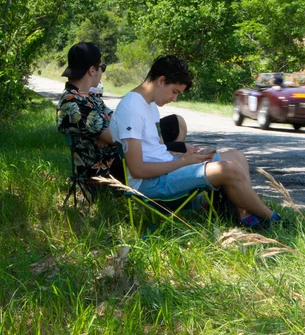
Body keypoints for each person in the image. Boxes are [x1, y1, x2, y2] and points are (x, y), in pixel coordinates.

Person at [109, 55, 281, 228]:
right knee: (228, 169)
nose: (174, 99)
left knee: (237, 156)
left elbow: (156, 150)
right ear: (161, 80)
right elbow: (137, 170)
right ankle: (272, 218)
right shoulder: (132, 109)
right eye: (174, 91)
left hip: (165, 170)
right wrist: (183, 162)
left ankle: (245, 216)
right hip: (151, 184)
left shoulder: (149, 104)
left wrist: (187, 156)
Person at [56, 42, 188, 181]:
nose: (102, 72)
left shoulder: (88, 97)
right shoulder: (73, 103)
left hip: (122, 154)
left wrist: (107, 135)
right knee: (184, 152)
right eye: (102, 67)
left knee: (176, 124)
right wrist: (108, 135)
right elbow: (118, 136)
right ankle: (171, 185)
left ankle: (172, 176)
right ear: (92, 70)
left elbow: (114, 126)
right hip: (107, 166)